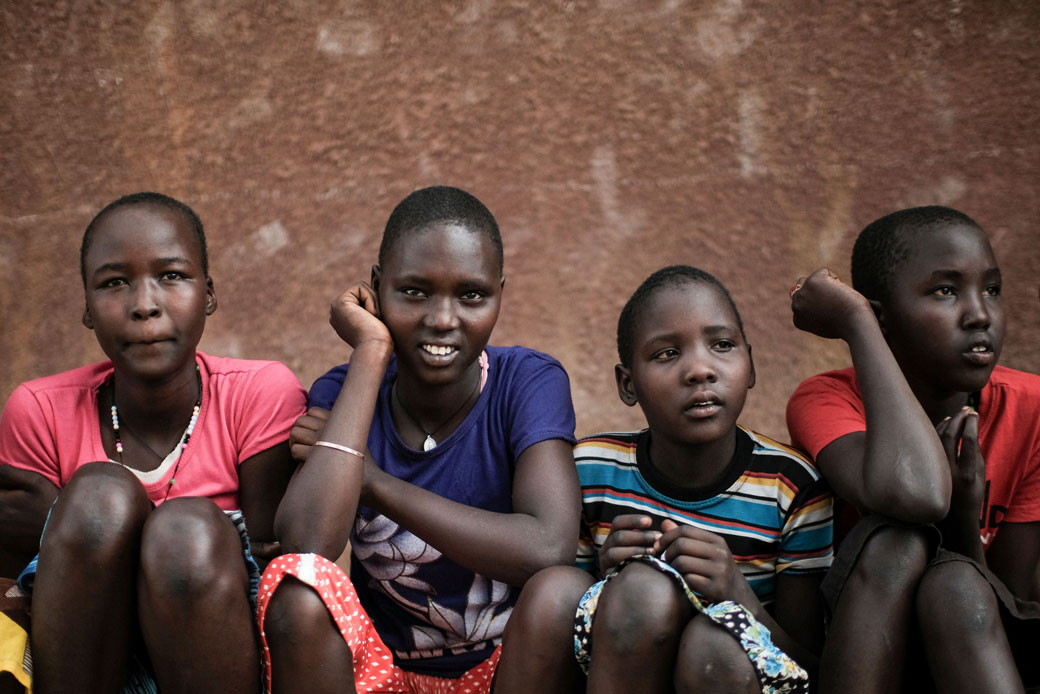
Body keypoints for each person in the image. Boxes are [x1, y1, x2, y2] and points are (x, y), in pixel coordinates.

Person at [258, 185, 579, 693]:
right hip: (383, 670)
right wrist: (371, 348)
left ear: (500, 293)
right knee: (298, 585)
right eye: (414, 292)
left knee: (564, 591)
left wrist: (375, 484)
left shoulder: (527, 382)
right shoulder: (345, 393)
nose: (443, 319)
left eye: (472, 295)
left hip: (504, 669)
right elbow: (306, 543)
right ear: (377, 288)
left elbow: (548, 547)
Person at [0, 192, 307, 694]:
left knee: (184, 530)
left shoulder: (259, 393)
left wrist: (56, 516)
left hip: (218, 652)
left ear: (208, 293)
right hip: (87, 658)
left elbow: (281, 566)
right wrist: (72, 520)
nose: (144, 306)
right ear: (86, 307)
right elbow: (19, 581)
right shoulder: (40, 410)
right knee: (100, 495)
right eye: (114, 283)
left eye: (172, 276)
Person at [494, 265, 833, 694]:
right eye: (667, 354)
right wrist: (604, 581)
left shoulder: (792, 484)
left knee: (713, 646)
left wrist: (736, 593)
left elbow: (808, 667)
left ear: (750, 366)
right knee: (566, 588)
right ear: (627, 383)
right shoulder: (590, 470)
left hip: (726, 675)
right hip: (615, 667)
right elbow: (563, 618)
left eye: (722, 345)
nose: (699, 370)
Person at [786, 206, 1040, 693]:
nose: (980, 315)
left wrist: (965, 526)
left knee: (955, 585)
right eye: (945, 291)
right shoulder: (825, 400)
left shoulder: (1028, 410)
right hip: (872, 652)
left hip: (979, 651)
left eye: (991, 289)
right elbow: (916, 494)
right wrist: (856, 322)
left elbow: (1015, 604)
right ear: (882, 318)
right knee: (898, 541)